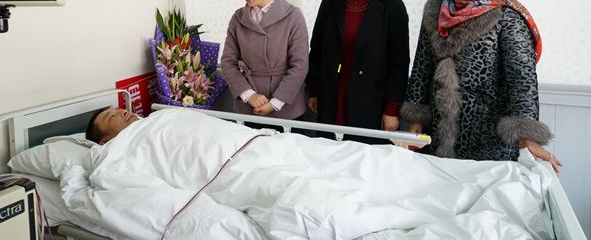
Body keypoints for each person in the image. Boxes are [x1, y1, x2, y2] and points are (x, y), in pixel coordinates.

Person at [77, 107, 550, 240]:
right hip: (236, 172)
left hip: (271, 144)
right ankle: (434, 216)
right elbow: (111, 184)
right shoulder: (117, 153)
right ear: (103, 137)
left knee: (378, 161)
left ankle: (478, 184)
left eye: (120, 110)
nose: (124, 113)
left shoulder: (163, 113)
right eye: (112, 118)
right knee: (319, 201)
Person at [400, 0, 561, 172]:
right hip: (438, 131)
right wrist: (416, 117)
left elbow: (522, 79)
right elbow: (422, 66)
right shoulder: (435, 10)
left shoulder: (506, 14)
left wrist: (527, 137)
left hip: (488, 134)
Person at [306, 0, 410, 140]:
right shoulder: (331, 0)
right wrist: (314, 90)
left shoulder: (392, 6)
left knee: (362, 154)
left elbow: (399, 64)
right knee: (327, 150)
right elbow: (316, 49)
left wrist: (392, 109)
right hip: (331, 94)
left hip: (369, 100)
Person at [221, 0, 309, 122]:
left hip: (287, 109)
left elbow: (300, 65)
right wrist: (249, 95)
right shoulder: (238, 18)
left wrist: (275, 103)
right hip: (248, 108)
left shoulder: (293, 16)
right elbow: (227, 62)